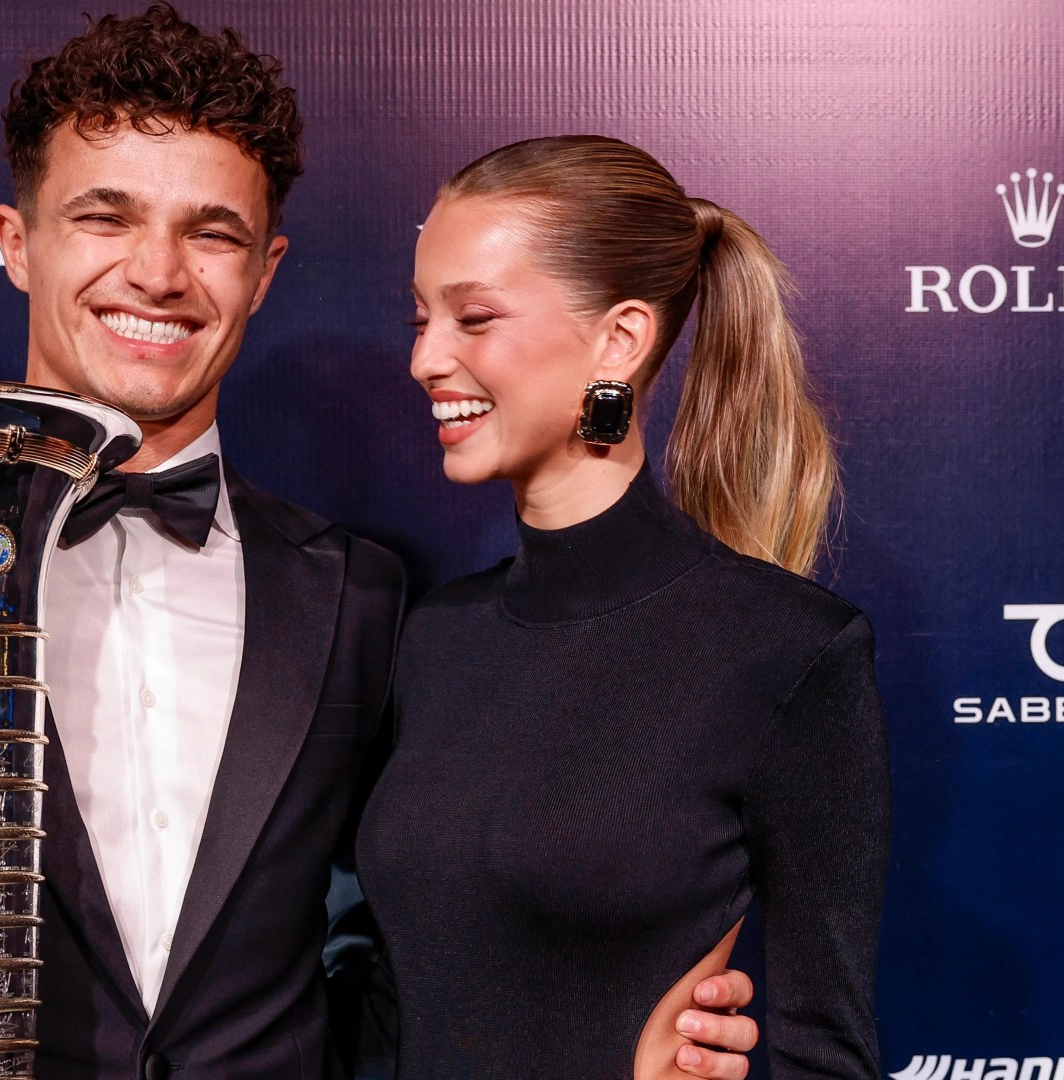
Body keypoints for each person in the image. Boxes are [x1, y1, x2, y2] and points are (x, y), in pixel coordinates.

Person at [0, 9, 763, 1079]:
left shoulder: (362, 596)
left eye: (211, 235)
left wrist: (624, 1033)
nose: (159, 274)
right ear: (17, 244)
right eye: (106, 218)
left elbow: (416, 956)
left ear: (264, 270)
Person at [358, 135, 890, 1079]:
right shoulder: (434, 637)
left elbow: (826, 1052)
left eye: (474, 318)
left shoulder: (787, 650)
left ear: (621, 339)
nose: (425, 359)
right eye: (421, 318)